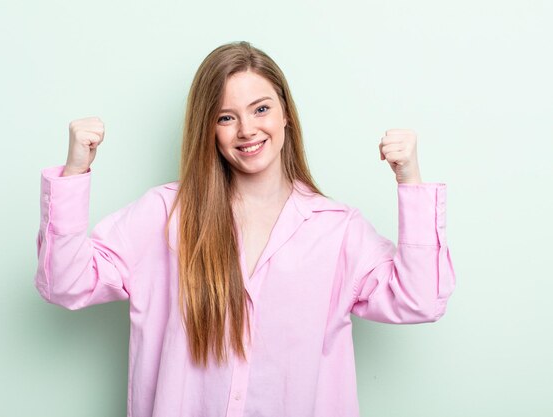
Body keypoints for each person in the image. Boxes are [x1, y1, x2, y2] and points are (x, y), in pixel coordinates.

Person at [34, 41, 456, 417]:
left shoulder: (337, 230)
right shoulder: (165, 214)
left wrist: (410, 179)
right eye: (225, 117)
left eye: (261, 108)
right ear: (209, 130)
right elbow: (66, 283)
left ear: (286, 113)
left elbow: (419, 300)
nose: (247, 129)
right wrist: (75, 171)